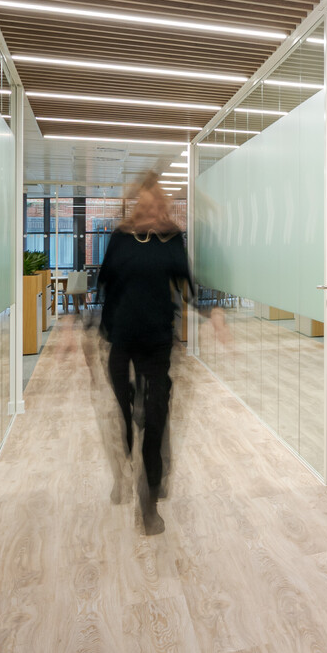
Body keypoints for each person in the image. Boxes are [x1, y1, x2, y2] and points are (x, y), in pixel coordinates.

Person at [97, 171, 200, 533]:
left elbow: (186, 284)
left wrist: (211, 312)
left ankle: (150, 500)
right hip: (120, 340)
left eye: (160, 204)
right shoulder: (120, 239)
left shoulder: (172, 239)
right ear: (137, 203)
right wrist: (81, 331)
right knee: (124, 416)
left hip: (157, 342)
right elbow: (104, 284)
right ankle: (123, 461)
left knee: (155, 420)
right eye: (148, 203)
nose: (155, 210)